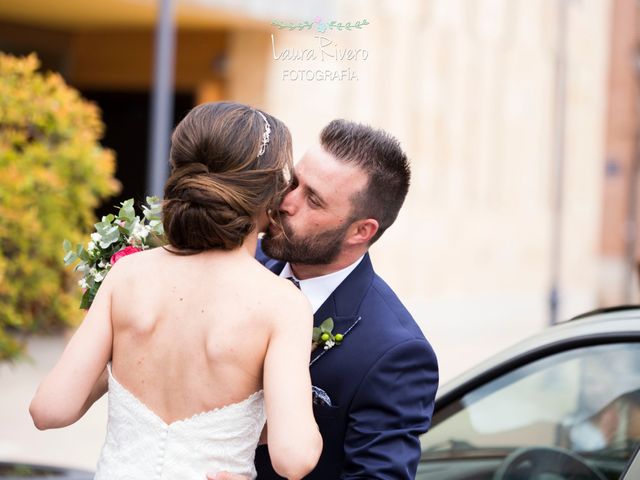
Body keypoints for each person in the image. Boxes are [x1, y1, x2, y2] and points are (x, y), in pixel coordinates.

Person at [29, 102, 322, 479]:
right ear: (268, 193)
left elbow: (49, 410)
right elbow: (294, 458)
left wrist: (120, 355)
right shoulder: (282, 305)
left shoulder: (128, 274)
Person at [213, 119, 439, 480]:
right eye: (294, 182)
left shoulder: (395, 354)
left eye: (313, 199)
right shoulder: (236, 263)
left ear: (360, 231)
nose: (285, 202)